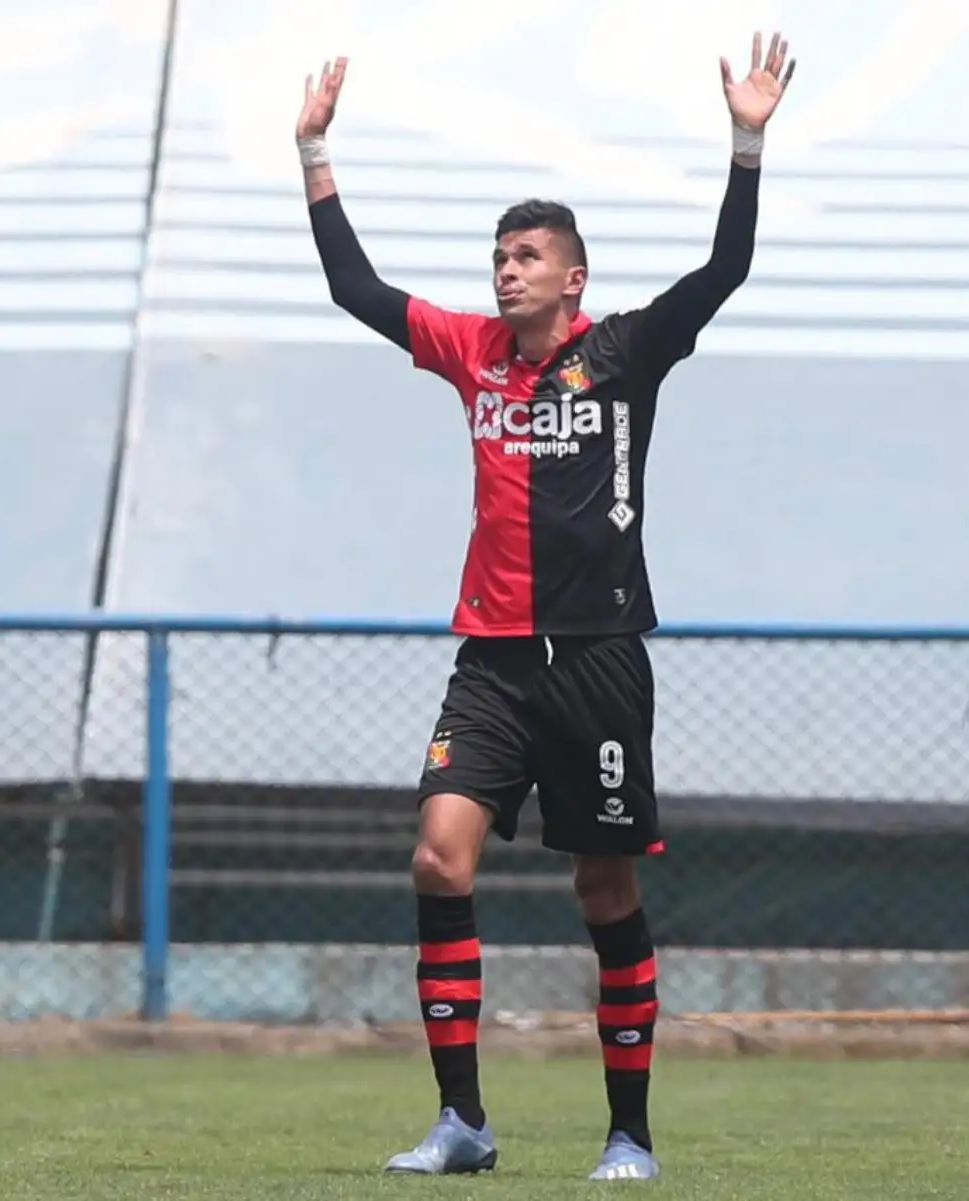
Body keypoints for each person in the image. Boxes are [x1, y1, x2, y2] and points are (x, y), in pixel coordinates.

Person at [292, 33, 796, 1181]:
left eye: (525, 257)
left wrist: (747, 142)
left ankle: (630, 1131)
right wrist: (316, 151)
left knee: (603, 885)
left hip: (602, 659)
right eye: (497, 256)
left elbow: (723, 273)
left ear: (573, 276)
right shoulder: (472, 355)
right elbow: (353, 288)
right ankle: (462, 1121)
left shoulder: (623, 354)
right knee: (437, 859)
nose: (504, 271)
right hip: (493, 662)